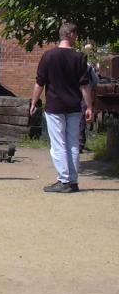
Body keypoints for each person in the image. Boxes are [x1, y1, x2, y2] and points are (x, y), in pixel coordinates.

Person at [30, 22, 93, 193]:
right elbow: (85, 85)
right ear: (71, 34)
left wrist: (34, 102)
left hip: (55, 106)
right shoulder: (79, 57)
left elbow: (39, 83)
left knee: (58, 144)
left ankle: (64, 180)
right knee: (73, 142)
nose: (77, 37)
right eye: (76, 34)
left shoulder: (48, 56)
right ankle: (72, 180)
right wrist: (89, 107)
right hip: (74, 105)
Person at [79, 61, 98, 153]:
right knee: (81, 120)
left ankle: (73, 144)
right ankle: (79, 144)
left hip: (72, 95)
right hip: (85, 96)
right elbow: (96, 82)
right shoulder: (88, 68)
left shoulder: (69, 65)